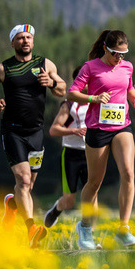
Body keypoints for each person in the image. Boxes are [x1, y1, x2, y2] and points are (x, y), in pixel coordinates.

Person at [67, 29, 135, 249]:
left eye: (124, 54)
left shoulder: (127, 67)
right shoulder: (91, 67)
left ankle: (124, 229)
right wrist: (94, 97)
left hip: (122, 126)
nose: (120, 58)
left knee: (128, 173)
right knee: (94, 182)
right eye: (116, 53)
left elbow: (129, 90)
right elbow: (72, 93)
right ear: (106, 49)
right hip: (97, 129)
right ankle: (85, 228)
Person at [0, 24, 66, 247]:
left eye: (28, 37)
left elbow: (63, 89)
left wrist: (52, 82)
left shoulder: (44, 64)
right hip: (12, 131)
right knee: (24, 180)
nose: (25, 41)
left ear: (33, 41)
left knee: (27, 188)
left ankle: (12, 206)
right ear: (13, 43)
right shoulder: (3, 68)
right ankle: (31, 229)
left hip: (36, 132)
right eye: (20, 38)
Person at [41, 68, 90, 232]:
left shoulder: (97, 103)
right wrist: (74, 131)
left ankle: (89, 233)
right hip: (71, 154)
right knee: (69, 201)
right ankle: (55, 210)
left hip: (91, 154)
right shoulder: (69, 105)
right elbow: (53, 130)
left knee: (92, 195)